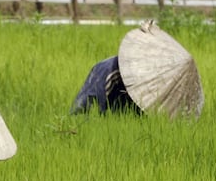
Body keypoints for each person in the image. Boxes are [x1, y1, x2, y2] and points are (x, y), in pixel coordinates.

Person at [70, 20, 204, 119]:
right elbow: (81, 115)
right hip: (111, 85)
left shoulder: (160, 84)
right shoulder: (108, 72)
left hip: (133, 103)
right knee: (87, 114)